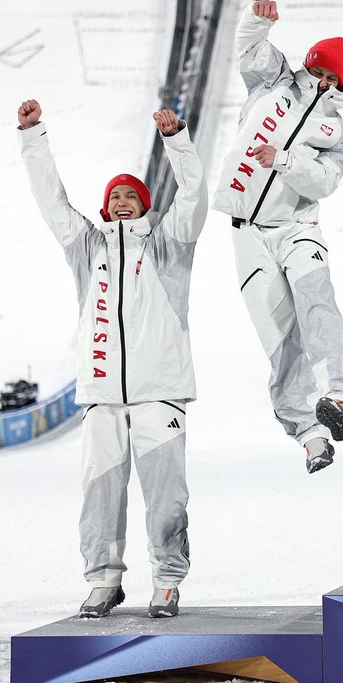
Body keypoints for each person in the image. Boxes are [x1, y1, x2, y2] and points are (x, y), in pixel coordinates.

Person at [18, 98, 207, 619]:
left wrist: (177, 141)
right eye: (115, 196)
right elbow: (52, 202)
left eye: (131, 195)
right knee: (99, 499)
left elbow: (193, 196)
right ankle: (103, 581)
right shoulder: (86, 247)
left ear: (144, 205)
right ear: (106, 207)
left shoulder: (169, 244)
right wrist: (32, 137)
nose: (122, 200)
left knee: (167, 500)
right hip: (102, 399)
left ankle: (167, 581)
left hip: (160, 394)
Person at [211, 0, 343, 474]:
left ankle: (340, 397)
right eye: (320, 72)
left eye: (333, 80)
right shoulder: (274, 81)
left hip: (298, 228)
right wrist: (259, 19)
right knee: (278, 336)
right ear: (310, 64)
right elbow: (248, 47)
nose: (324, 84)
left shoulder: (334, 130)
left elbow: (325, 182)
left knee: (316, 302)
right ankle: (310, 434)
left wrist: (282, 159)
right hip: (247, 232)